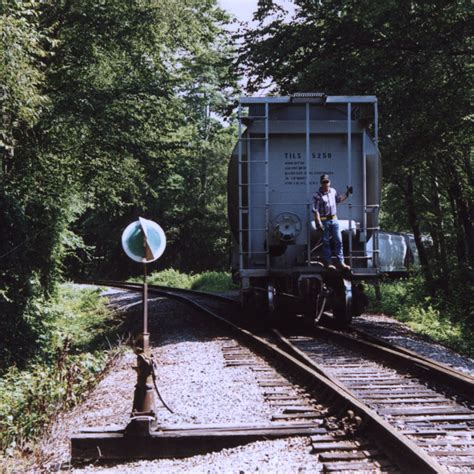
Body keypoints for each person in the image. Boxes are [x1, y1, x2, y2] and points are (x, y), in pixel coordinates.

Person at [313, 174, 352, 270]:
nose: (325, 184)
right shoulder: (317, 195)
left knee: (338, 240)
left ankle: (341, 263)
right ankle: (328, 263)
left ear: (329, 182)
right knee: (326, 242)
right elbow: (315, 210)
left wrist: (347, 194)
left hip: (334, 219)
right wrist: (318, 222)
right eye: (323, 182)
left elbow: (339, 199)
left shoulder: (333, 191)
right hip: (324, 220)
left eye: (327, 182)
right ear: (321, 183)